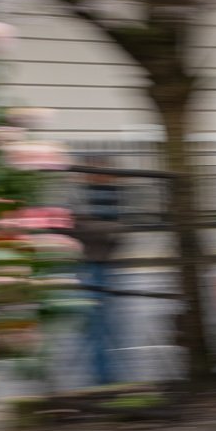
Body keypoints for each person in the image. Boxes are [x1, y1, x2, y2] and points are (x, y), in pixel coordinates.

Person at [69, 163, 127, 387]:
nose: (106, 176)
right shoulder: (80, 195)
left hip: (107, 260)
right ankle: (102, 376)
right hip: (91, 261)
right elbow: (77, 226)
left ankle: (106, 374)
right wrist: (106, 230)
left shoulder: (112, 196)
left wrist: (105, 230)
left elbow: (120, 229)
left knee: (108, 322)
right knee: (96, 320)